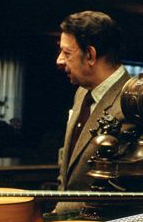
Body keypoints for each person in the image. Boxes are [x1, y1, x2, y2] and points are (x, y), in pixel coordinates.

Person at [55, 11, 130, 210]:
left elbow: (118, 191)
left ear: (90, 55)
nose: (59, 60)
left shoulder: (131, 104)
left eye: (67, 53)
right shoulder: (82, 93)